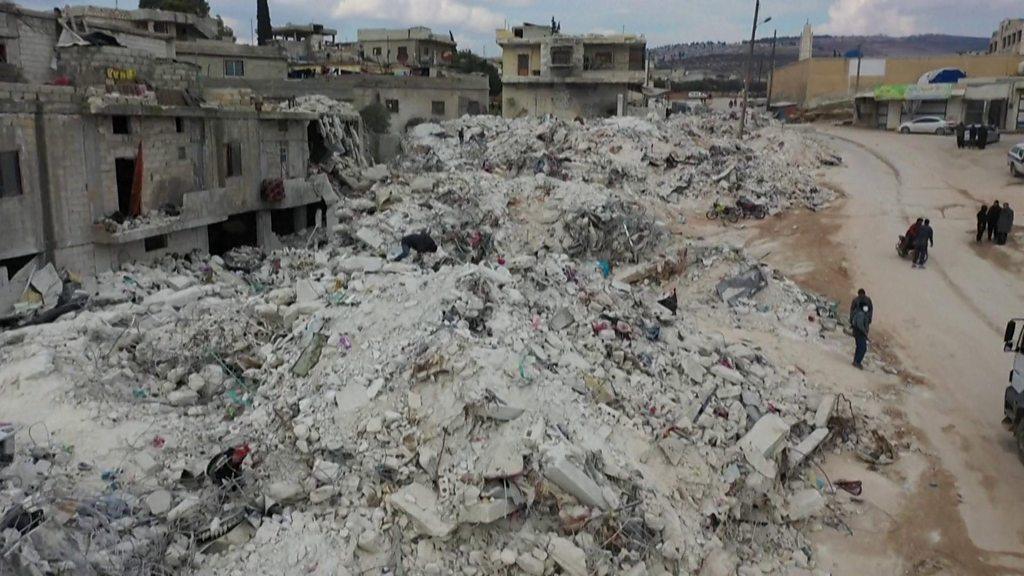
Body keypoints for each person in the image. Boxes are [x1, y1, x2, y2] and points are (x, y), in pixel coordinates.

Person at [851, 303, 870, 369]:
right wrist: (864, 332)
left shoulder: (860, 313)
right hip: (860, 333)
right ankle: (857, 362)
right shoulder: (861, 314)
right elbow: (859, 325)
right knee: (863, 348)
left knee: (859, 347)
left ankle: (855, 361)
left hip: (858, 333)